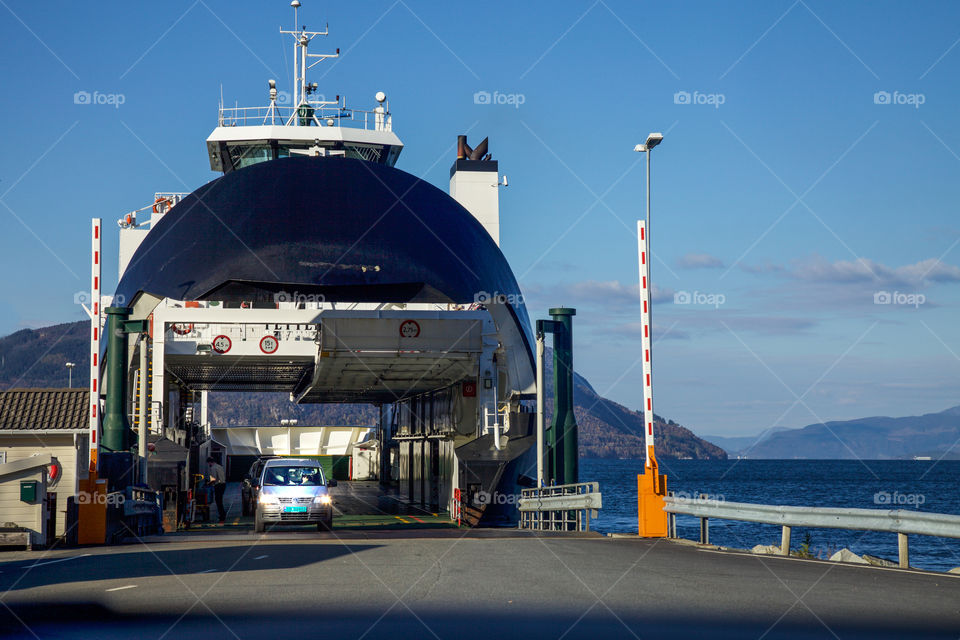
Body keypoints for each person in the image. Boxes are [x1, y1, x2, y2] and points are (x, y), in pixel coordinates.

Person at [207, 456, 227, 523]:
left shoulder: (213, 468)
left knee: (218, 501)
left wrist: (208, 483)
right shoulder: (219, 466)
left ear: (209, 462)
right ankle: (222, 514)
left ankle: (222, 516)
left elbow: (213, 479)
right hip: (223, 484)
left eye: (208, 463)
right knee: (220, 500)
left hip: (218, 485)